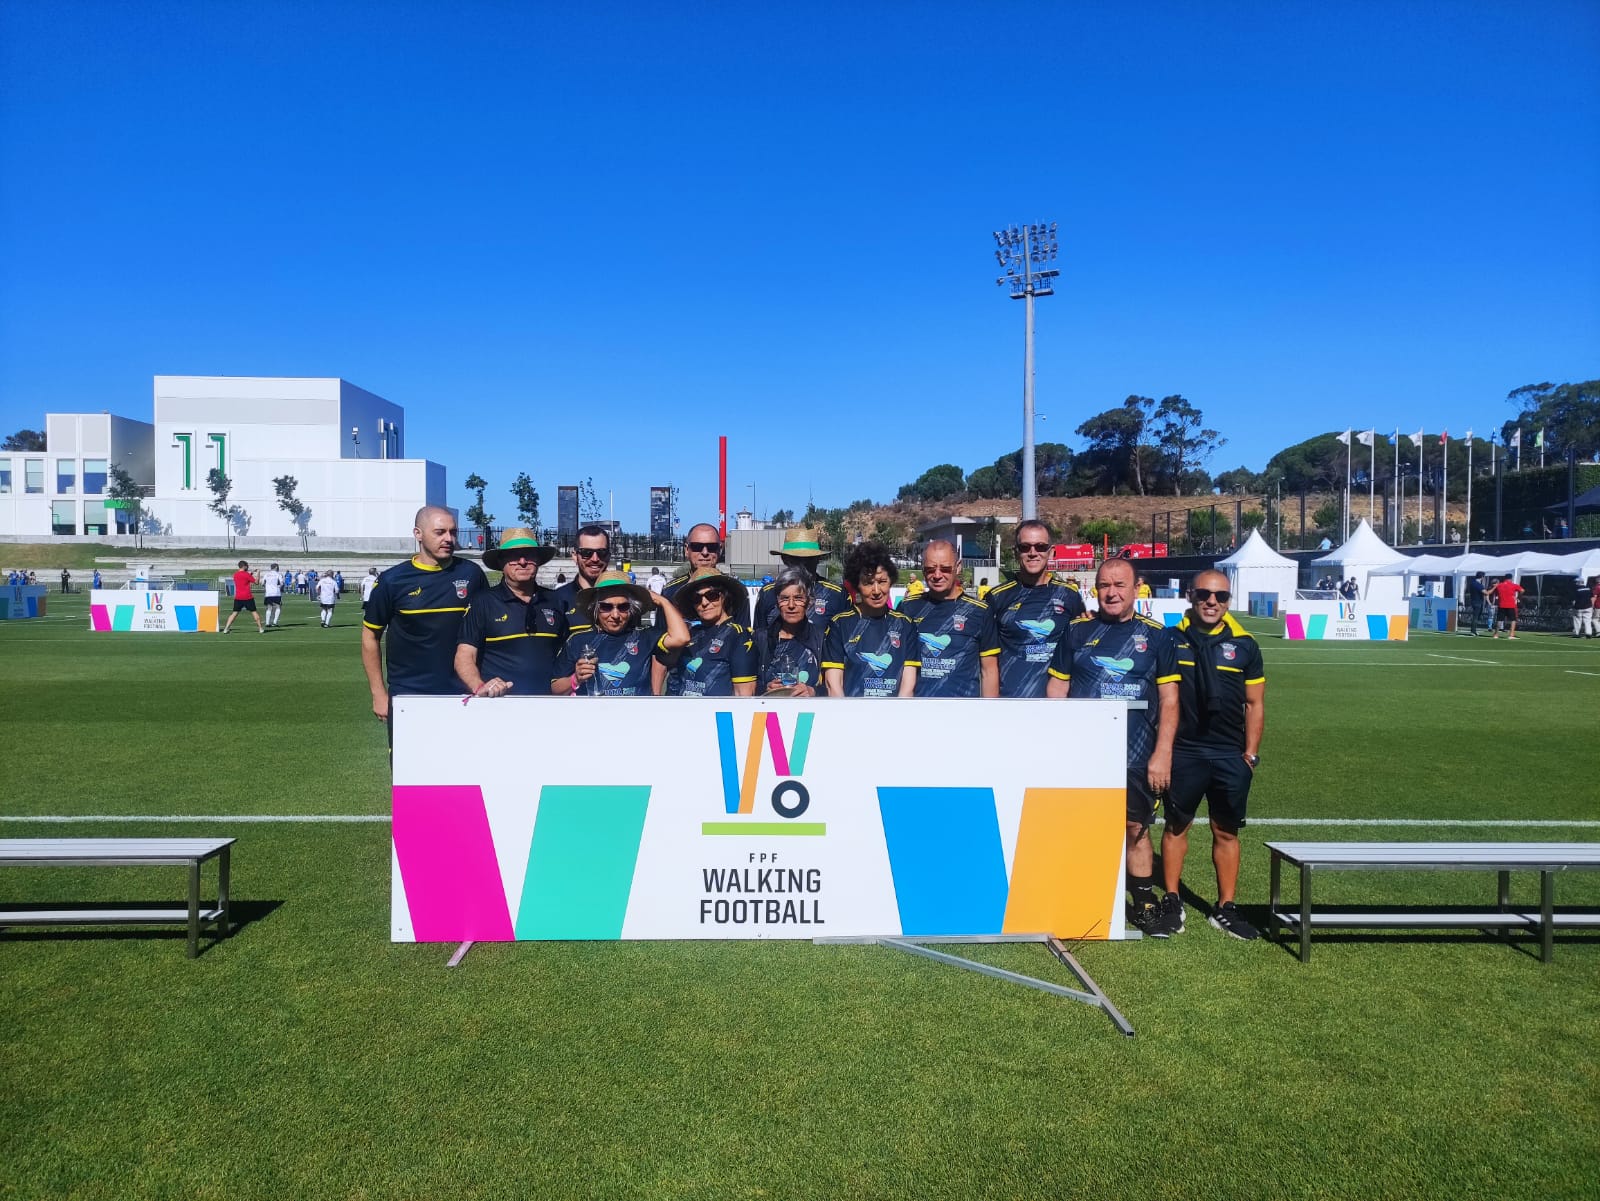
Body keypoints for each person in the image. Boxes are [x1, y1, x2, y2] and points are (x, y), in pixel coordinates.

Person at [1047, 558, 1179, 935]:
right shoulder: (1075, 633)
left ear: (1137, 589)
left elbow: (1170, 700)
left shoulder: (1157, 636)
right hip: (1083, 754)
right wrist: (1057, 748)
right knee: (1078, 824)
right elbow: (1057, 691)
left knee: (1136, 826)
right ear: (1095, 590)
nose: (1112, 592)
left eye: (1120, 585)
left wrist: (1163, 752)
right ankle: (1076, 898)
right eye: (1104, 585)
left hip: (1137, 752)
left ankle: (1143, 902)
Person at [1160, 570, 1266, 940]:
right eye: (1204, 594)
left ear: (1228, 601)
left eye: (1221, 597)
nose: (1212, 602)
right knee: (1177, 827)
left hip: (1228, 754)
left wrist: (1250, 756)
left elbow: (1255, 704)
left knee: (1226, 831)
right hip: (1184, 752)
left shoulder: (1246, 645)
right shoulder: (1170, 640)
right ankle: (1172, 900)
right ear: (1190, 595)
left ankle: (1225, 907)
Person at [361, 506, 488, 727]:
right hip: (410, 694)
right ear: (418, 534)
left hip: (464, 692)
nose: (449, 538)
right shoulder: (392, 581)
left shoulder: (471, 573)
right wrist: (378, 693)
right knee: (409, 762)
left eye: (453, 532)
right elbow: (370, 637)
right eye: (440, 532)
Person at [455, 529, 564, 699]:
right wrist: (480, 687)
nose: (522, 561)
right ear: (501, 562)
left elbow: (565, 655)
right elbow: (464, 656)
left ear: (538, 560)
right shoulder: (483, 602)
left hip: (547, 705)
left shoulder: (555, 601)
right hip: (498, 706)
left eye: (529, 555)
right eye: (514, 556)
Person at [987, 520, 1086, 697]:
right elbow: (987, 661)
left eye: (1040, 546)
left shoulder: (1070, 596)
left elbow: (1081, 650)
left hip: (1056, 704)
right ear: (1016, 552)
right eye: (1025, 547)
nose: (1033, 553)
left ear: (1051, 552)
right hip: (1011, 703)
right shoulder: (997, 597)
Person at [555, 570, 690, 696]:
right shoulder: (578, 640)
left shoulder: (644, 636)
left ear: (632, 608)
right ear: (595, 608)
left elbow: (681, 638)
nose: (615, 615)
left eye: (623, 607)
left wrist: (663, 601)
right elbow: (555, 688)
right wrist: (576, 679)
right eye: (606, 607)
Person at [898, 539, 998, 698]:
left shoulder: (980, 611)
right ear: (923, 569)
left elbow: (989, 671)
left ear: (958, 567)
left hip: (963, 715)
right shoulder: (907, 608)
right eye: (931, 569)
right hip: (918, 713)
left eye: (945, 568)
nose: (937, 575)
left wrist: (988, 715)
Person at [823, 541, 920, 698]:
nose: (876, 591)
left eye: (882, 581)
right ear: (857, 586)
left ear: (891, 582)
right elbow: (833, 686)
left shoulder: (905, 625)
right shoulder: (839, 624)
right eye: (868, 583)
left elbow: (908, 686)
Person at [656, 568, 757, 697]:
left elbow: (744, 694)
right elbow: (663, 661)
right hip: (681, 713)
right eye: (696, 598)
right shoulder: (688, 634)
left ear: (724, 597)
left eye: (712, 595)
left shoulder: (738, 635)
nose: (704, 603)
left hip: (717, 715)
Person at [753, 527, 850, 631]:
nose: (803, 564)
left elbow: (846, 637)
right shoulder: (768, 593)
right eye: (796, 558)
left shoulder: (836, 594)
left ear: (818, 559)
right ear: (785, 559)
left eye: (809, 558)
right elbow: (758, 637)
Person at [754, 567, 826, 696]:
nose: (791, 605)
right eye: (785, 598)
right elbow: (747, 686)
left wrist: (813, 691)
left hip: (809, 714)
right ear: (777, 602)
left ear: (809, 602)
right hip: (770, 714)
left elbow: (834, 686)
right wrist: (765, 688)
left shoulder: (822, 638)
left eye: (798, 598)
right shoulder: (760, 639)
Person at [662, 524, 751, 625]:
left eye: (711, 547)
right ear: (687, 550)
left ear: (720, 549)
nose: (705, 552)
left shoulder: (735, 591)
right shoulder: (670, 592)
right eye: (697, 547)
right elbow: (661, 636)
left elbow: (742, 633)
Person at [551, 524, 613, 629]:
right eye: (586, 553)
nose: (595, 559)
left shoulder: (622, 600)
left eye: (601, 552)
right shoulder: (557, 599)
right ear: (575, 556)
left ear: (608, 556)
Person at [221, 559, 265, 634]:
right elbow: (256, 582)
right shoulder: (246, 574)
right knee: (254, 612)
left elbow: (243, 579)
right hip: (248, 597)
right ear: (244, 566)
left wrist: (250, 573)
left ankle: (226, 629)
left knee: (234, 613)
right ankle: (260, 628)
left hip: (238, 597)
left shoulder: (235, 575)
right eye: (247, 566)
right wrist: (258, 573)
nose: (247, 567)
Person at [1489, 574, 1524, 639]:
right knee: (1513, 620)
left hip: (1501, 604)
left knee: (1499, 620)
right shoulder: (1513, 585)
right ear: (1511, 578)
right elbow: (1522, 590)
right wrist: (1518, 597)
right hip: (1511, 605)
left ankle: (1496, 634)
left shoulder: (1499, 585)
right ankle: (1511, 634)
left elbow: (1492, 592)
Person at [261, 562, 285, 629]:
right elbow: (282, 583)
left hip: (268, 593)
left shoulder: (266, 574)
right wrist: (279, 587)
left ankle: (267, 623)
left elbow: (262, 583)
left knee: (269, 608)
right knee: (278, 607)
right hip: (276, 593)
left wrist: (267, 587)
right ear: (276, 567)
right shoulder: (278, 574)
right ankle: (274, 622)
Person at [1572, 575, 1595, 639]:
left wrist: (1573, 606)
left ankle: (1576, 633)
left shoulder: (1576, 589)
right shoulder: (1588, 588)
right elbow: (1592, 598)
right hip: (1588, 607)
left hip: (1579, 607)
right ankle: (1588, 633)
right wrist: (1592, 606)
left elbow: (1574, 600)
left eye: (1576, 582)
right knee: (1587, 621)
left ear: (1579, 582)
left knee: (1577, 620)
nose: (1575, 583)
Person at [1465, 571, 1487, 635]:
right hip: (1477, 602)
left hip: (1474, 601)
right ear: (1482, 577)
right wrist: (1494, 587)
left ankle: (1474, 630)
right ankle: (1473, 631)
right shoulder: (1478, 584)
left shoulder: (1472, 583)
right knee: (1476, 617)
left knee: (1476, 617)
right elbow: (1486, 593)